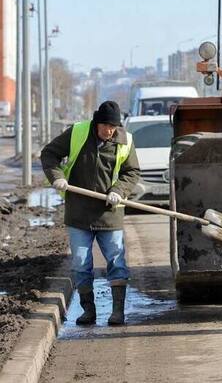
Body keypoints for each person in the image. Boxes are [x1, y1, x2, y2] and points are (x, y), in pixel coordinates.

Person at [40, 101, 141, 326]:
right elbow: (49, 154)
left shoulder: (125, 140)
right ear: (97, 123)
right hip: (79, 212)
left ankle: (117, 312)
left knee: (116, 260)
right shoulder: (77, 132)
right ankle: (89, 311)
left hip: (109, 213)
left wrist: (118, 190)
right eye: (106, 126)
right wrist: (56, 176)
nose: (110, 131)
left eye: (113, 127)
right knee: (81, 262)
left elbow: (132, 172)